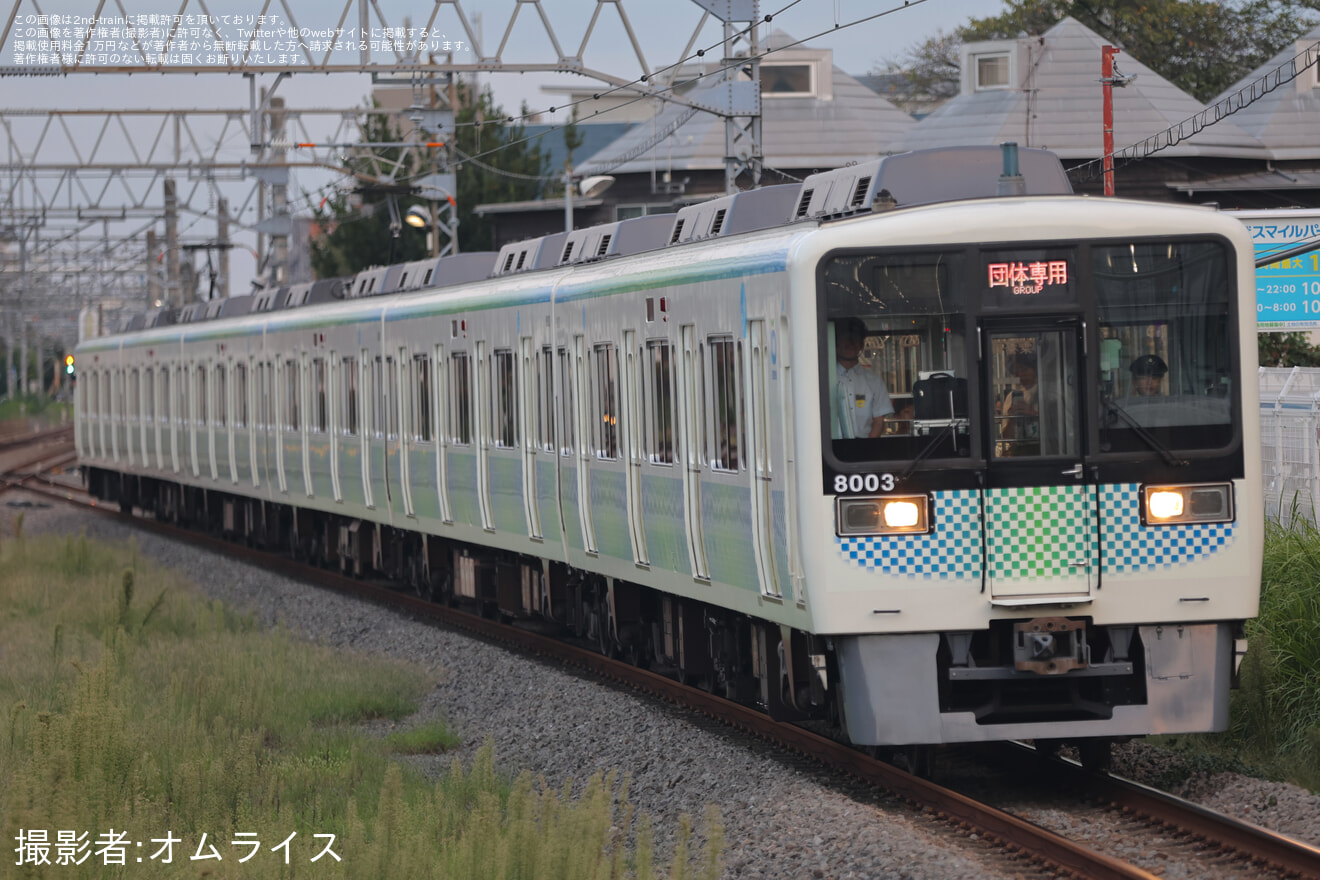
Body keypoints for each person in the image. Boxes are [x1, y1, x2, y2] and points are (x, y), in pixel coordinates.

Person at [833, 317, 893, 438]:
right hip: (829, 447)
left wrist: (867, 447)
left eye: (855, 339)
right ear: (836, 342)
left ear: (861, 345)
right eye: (846, 338)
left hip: (864, 447)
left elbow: (878, 421)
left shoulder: (874, 381)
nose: (850, 343)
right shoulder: (823, 379)